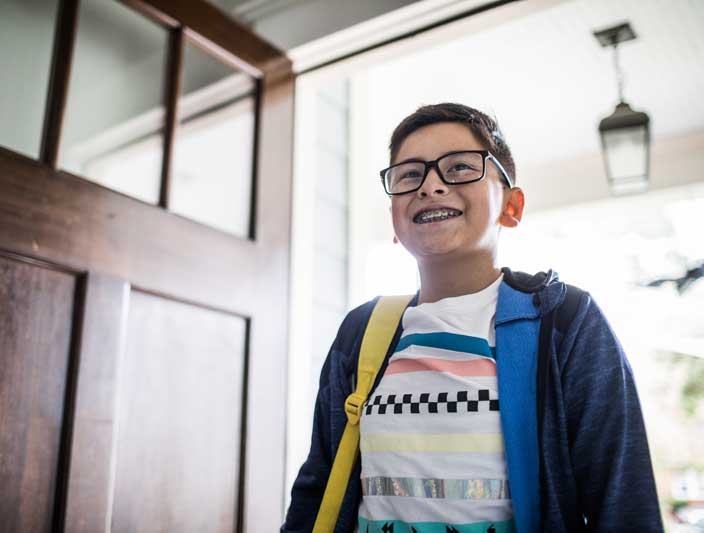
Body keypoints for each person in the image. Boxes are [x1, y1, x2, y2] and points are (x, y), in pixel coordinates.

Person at [281, 103, 662, 532]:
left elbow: (623, 498)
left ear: (512, 206)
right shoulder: (361, 330)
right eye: (409, 175)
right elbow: (318, 483)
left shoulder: (566, 322)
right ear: (394, 216)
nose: (430, 186)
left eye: (460, 167)